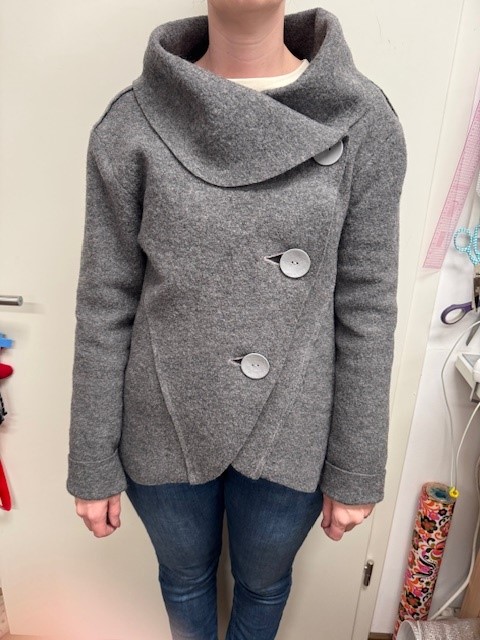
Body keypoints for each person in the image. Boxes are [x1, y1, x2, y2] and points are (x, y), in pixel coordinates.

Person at [67, 1, 407, 639]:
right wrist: (91, 459)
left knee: (264, 584)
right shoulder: (132, 122)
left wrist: (357, 465)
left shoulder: (363, 120)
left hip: (296, 427)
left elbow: (368, 306)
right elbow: (105, 303)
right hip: (161, 422)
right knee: (184, 579)